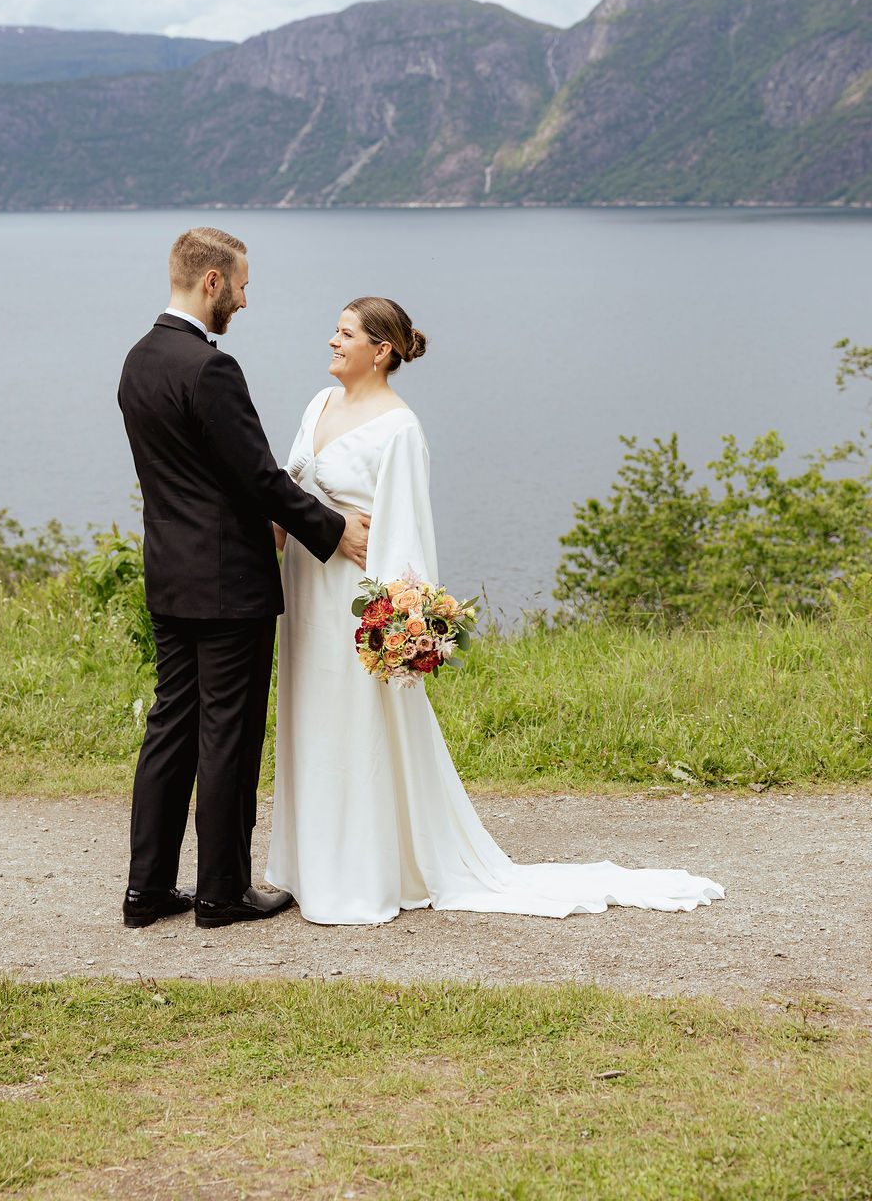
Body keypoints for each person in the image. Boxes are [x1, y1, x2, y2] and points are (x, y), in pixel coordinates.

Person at [266, 296, 724, 925]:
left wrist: (399, 624)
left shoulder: (399, 427)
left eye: (345, 334)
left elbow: (406, 532)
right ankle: (304, 866)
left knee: (351, 725)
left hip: (350, 599)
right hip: (303, 590)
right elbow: (288, 490)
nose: (331, 342)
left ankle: (356, 875)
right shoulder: (315, 406)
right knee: (308, 718)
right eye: (334, 331)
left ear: (382, 351)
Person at [117, 227, 370, 931]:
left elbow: (189, 477)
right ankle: (222, 893)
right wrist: (331, 527)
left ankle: (146, 890)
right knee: (227, 734)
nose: (247, 299)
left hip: (169, 575)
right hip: (229, 583)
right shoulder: (210, 369)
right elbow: (257, 477)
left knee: (169, 729)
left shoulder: (137, 360)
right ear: (212, 283)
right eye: (244, 284)